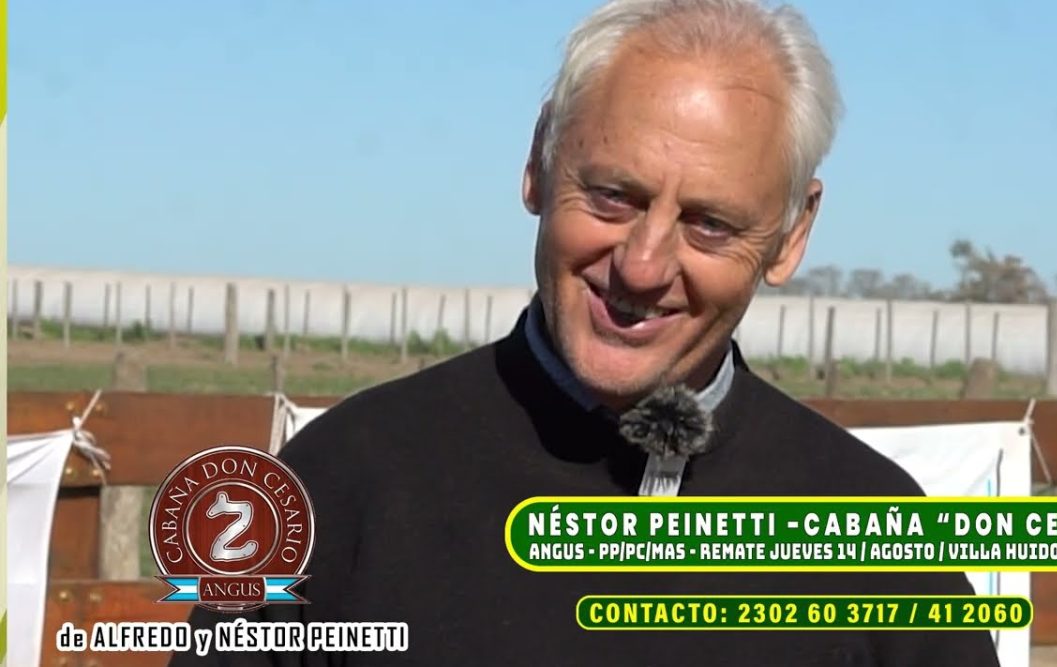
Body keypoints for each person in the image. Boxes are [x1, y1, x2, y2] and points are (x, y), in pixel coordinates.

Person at [174, 1, 1000, 664]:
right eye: (612, 195)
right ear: (539, 158)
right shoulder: (340, 479)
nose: (642, 265)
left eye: (709, 223)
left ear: (791, 234)